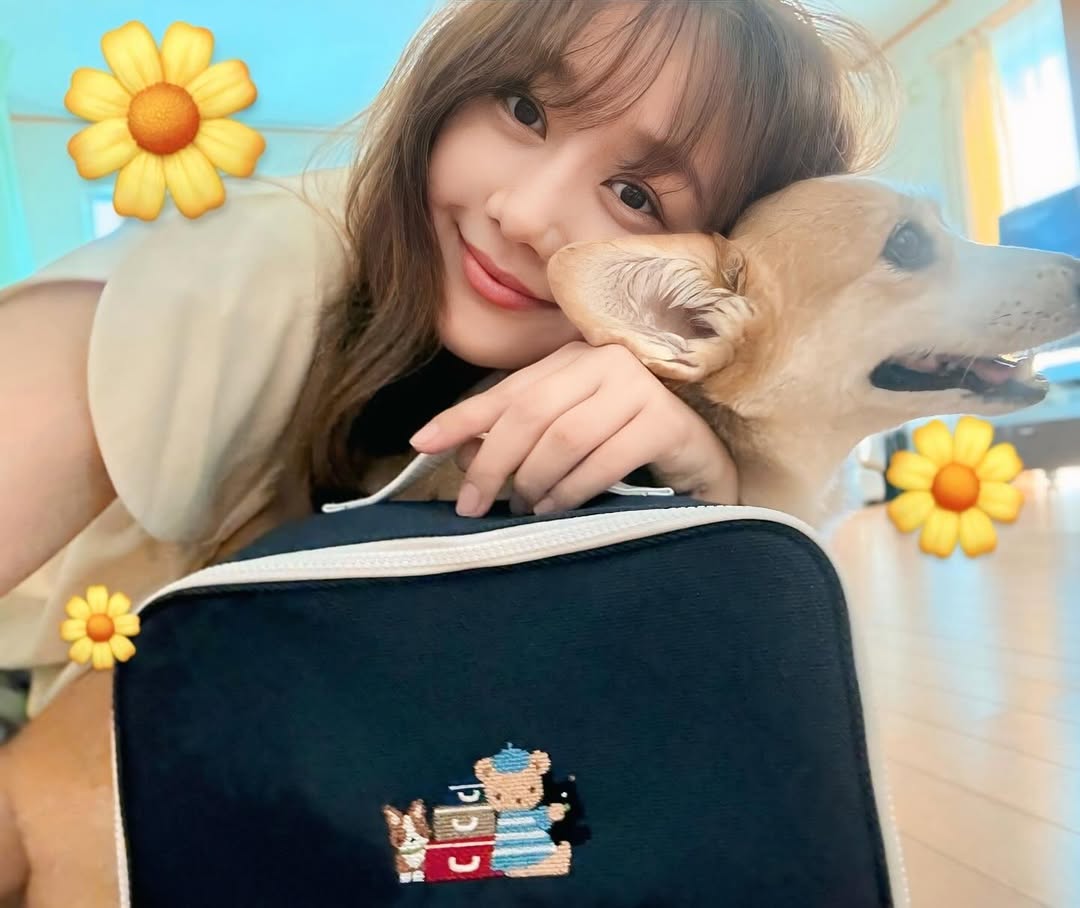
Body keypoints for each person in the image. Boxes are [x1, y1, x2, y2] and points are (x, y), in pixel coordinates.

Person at [0, 0, 897, 717]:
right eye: (524, 109)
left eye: (635, 196)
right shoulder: (247, 268)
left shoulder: (628, 392)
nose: (526, 213)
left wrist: (705, 491)